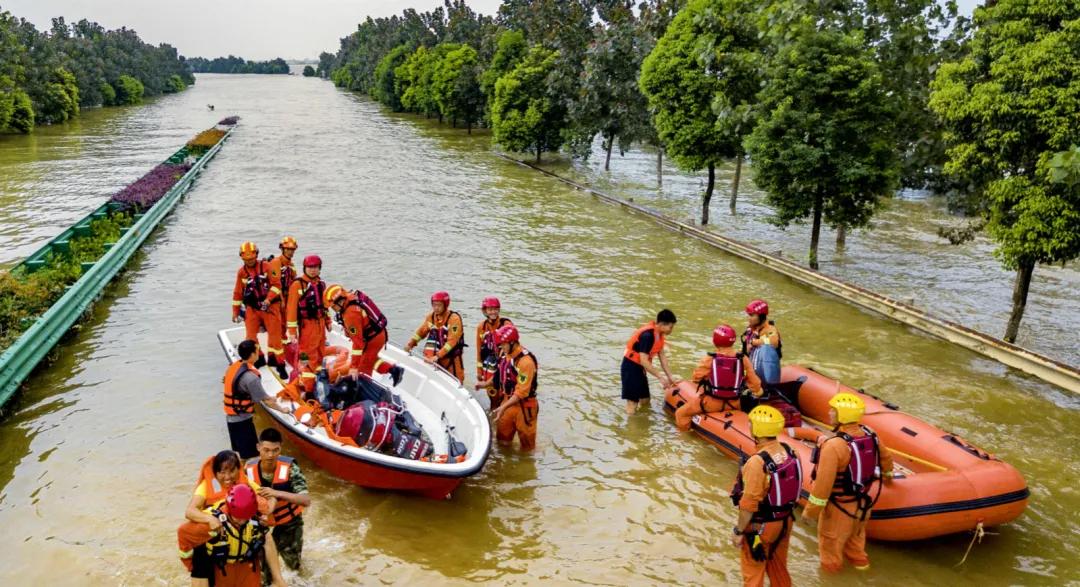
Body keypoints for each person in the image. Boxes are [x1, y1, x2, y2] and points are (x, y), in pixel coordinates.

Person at [803, 392, 894, 573]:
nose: (829, 413)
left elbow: (823, 487)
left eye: (833, 410)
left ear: (842, 416)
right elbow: (886, 459)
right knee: (856, 547)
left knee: (830, 552)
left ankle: (831, 580)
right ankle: (862, 572)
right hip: (862, 506)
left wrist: (810, 512)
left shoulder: (834, 446)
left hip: (839, 510)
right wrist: (889, 477)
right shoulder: (870, 434)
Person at [730, 406, 800, 587]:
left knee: (753, 572)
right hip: (785, 522)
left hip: (760, 528)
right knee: (779, 568)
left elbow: (748, 504)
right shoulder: (790, 451)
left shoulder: (757, 462)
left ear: (757, 429)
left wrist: (738, 531)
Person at [180, 450, 266, 586]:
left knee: (265, 537)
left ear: (239, 470)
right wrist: (209, 519)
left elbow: (265, 501)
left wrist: (270, 504)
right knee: (200, 562)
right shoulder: (205, 487)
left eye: (232, 471)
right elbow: (190, 511)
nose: (227, 477)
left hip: (240, 530)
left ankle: (275, 578)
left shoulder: (245, 483)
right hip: (215, 532)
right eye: (222, 472)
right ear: (215, 473)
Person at [179, 483, 287, 587]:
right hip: (221, 570)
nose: (242, 521)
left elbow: (267, 539)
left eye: (246, 517)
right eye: (238, 518)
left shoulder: (257, 515)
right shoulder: (211, 523)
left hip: (247, 567)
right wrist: (190, 566)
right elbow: (183, 534)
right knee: (200, 563)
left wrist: (278, 579)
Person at [245, 428, 310, 585]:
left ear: (281, 448)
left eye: (275, 450)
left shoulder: (290, 468)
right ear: (258, 447)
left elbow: (306, 500)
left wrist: (276, 493)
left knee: (293, 567)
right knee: (263, 574)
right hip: (261, 526)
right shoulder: (247, 470)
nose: (270, 455)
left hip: (289, 523)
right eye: (266, 450)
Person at [674, 324, 763, 431]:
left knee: (681, 413)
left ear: (715, 340)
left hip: (711, 403)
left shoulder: (710, 358)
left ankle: (685, 438)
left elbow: (696, 378)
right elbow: (755, 384)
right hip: (734, 403)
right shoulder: (742, 358)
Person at [225, 339, 294, 458]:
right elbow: (266, 401)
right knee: (250, 456)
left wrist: (267, 397)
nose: (259, 352)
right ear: (252, 354)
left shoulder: (234, 367)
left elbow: (239, 389)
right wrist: (282, 410)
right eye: (257, 350)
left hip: (231, 419)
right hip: (242, 421)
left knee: (241, 453)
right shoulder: (251, 378)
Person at [324, 284, 403, 384]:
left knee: (363, 369)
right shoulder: (350, 298)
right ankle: (393, 370)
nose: (333, 310)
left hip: (372, 339)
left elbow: (358, 343)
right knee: (370, 358)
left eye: (333, 307)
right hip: (376, 335)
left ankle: (364, 389)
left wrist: (354, 367)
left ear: (339, 301)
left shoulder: (350, 313)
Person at [232, 242, 286, 379]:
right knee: (250, 336)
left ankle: (278, 363)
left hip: (270, 307)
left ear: (256, 255)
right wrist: (235, 312)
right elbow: (238, 293)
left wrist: (268, 300)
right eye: (246, 260)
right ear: (242, 258)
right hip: (252, 308)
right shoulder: (241, 273)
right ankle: (259, 358)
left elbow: (276, 285)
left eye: (251, 259)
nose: (249, 262)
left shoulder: (267, 266)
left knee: (275, 337)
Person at [489, 324, 538, 450]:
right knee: (502, 442)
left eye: (503, 344)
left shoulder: (525, 362)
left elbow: (521, 392)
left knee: (527, 449)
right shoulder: (506, 355)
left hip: (524, 407)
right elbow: (499, 376)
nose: (501, 347)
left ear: (513, 342)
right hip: (508, 402)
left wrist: (502, 407)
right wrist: (483, 384)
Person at [286, 255, 330, 391]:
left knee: (320, 351)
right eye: (310, 267)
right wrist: (292, 332)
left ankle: (316, 378)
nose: (313, 270)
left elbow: (325, 306)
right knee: (306, 355)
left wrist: (328, 321)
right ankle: (307, 387)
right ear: (304, 268)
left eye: (315, 267)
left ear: (320, 269)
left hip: (320, 324)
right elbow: (291, 310)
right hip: (307, 326)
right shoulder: (297, 285)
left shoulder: (321, 284)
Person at [621, 309, 677, 415]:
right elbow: (644, 361)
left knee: (645, 400)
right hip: (631, 367)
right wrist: (660, 377)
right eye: (671, 327)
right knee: (632, 402)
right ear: (662, 324)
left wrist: (670, 376)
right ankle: (632, 427)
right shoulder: (648, 336)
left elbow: (662, 357)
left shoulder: (659, 336)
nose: (671, 330)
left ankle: (643, 421)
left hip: (640, 368)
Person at [404, 291, 466, 383]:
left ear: (445, 305)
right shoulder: (431, 317)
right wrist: (410, 344)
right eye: (434, 305)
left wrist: (437, 356)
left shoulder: (454, 319)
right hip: (434, 356)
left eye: (439, 305)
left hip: (451, 358)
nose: (436, 308)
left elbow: (452, 342)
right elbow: (421, 332)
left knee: (456, 381)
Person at [474, 297, 513, 410]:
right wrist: (479, 371)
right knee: (492, 397)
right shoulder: (481, 327)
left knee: (504, 395)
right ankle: (494, 416)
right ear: (485, 311)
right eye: (490, 309)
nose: (493, 312)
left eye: (495, 309)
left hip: (504, 365)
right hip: (489, 366)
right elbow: (479, 350)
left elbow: (512, 346)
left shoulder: (506, 324)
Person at [266, 237, 298, 347]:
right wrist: (282, 301)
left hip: (288, 297)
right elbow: (276, 284)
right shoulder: (276, 262)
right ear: (282, 249)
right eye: (288, 249)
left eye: (292, 249)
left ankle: (286, 345)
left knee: (288, 322)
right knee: (280, 324)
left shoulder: (291, 265)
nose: (290, 252)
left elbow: (294, 283)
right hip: (278, 298)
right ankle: (280, 346)